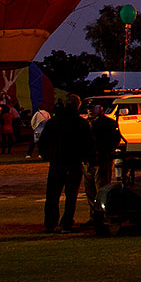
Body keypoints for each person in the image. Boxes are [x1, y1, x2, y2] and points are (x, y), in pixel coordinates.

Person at [38, 95, 93, 233]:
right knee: (71, 195)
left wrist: (49, 156)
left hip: (56, 163)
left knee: (52, 195)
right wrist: (88, 159)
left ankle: (50, 223)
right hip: (73, 163)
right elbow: (88, 144)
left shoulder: (53, 122)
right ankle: (66, 223)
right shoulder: (81, 123)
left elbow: (42, 142)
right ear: (78, 105)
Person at [85, 103, 123, 210]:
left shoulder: (108, 123)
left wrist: (105, 152)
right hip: (89, 160)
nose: (90, 111)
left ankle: (101, 214)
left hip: (102, 160)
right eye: (88, 109)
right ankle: (94, 215)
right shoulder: (85, 123)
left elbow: (114, 140)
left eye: (92, 108)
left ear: (100, 108)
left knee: (101, 189)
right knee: (90, 190)